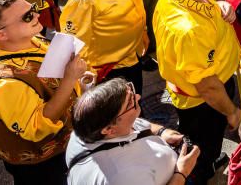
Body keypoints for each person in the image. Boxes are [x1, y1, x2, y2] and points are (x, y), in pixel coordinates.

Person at [0, 0, 87, 184]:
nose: (37, 14)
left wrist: (81, 83)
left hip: (67, 141)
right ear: (2, 35)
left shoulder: (33, 39)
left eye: (33, 8)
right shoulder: (5, 84)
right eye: (27, 16)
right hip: (42, 163)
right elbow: (37, 127)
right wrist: (70, 79)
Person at [154, 0, 241, 183]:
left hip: (196, 87)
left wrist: (220, 5)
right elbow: (207, 87)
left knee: (202, 141)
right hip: (204, 101)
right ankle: (203, 171)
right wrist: (232, 112)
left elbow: (205, 6)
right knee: (204, 145)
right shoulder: (189, 31)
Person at [65, 78, 198, 185]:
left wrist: (162, 132)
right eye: (130, 103)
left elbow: (136, 124)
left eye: (131, 93)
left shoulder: (85, 129)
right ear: (108, 130)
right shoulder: (122, 176)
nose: (138, 97)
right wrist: (181, 173)